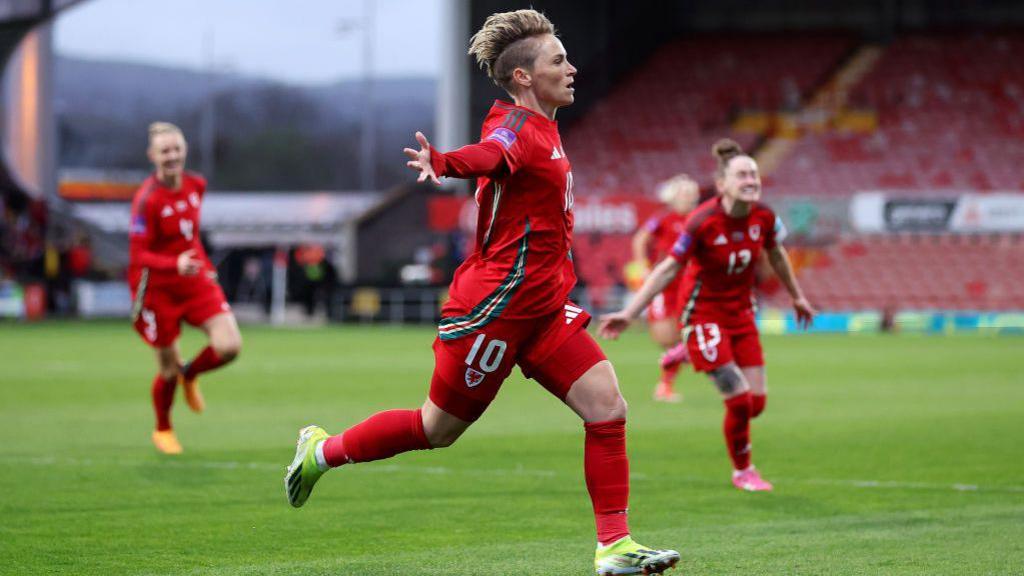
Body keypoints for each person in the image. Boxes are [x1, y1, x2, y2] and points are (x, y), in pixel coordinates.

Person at [284, 10, 679, 575]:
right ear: (524, 77)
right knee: (435, 429)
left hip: (543, 310)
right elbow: (489, 155)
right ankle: (321, 451)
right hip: (491, 310)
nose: (572, 68)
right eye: (558, 61)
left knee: (608, 408)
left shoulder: (545, 127)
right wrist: (444, 162)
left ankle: (614, 547)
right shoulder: (515, 127)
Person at [599, 139, 815, 492]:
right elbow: (669, 268)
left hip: (742, 314)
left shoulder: (765, 217)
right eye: (742, 174)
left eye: (754, 174)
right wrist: (629, 311)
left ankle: (688, 354)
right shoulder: (702, 221)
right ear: (722, 184)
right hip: (703, 316)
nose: (750, 179)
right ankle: (743, 470)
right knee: (740, 400)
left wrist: (797, 297)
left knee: (755, 404)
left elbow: (776, 256)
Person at [128, 122, 242, 454]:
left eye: (176, 149)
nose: (171, 156)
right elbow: (138, 255)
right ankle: (163, 429)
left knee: (230, 345)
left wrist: (205, 268)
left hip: (193, 280)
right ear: (153, 156)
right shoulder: (146, 200)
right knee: (166, 369)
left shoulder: (196, 185)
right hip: (157, 288)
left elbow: (190, 236)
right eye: (164, 151)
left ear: (185, 150)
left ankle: (190, 373)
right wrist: (173, 264)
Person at [629, 175, 700, 402]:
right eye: (683, 192)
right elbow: (640, 239)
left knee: (681, 337)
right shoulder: (664, 218)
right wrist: (643, 267)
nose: (688, 197)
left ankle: (665, 385)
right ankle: (679, 361)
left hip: (689, 284)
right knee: (665, 338)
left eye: (691, 193)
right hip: (664, 284)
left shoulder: (699, 219)